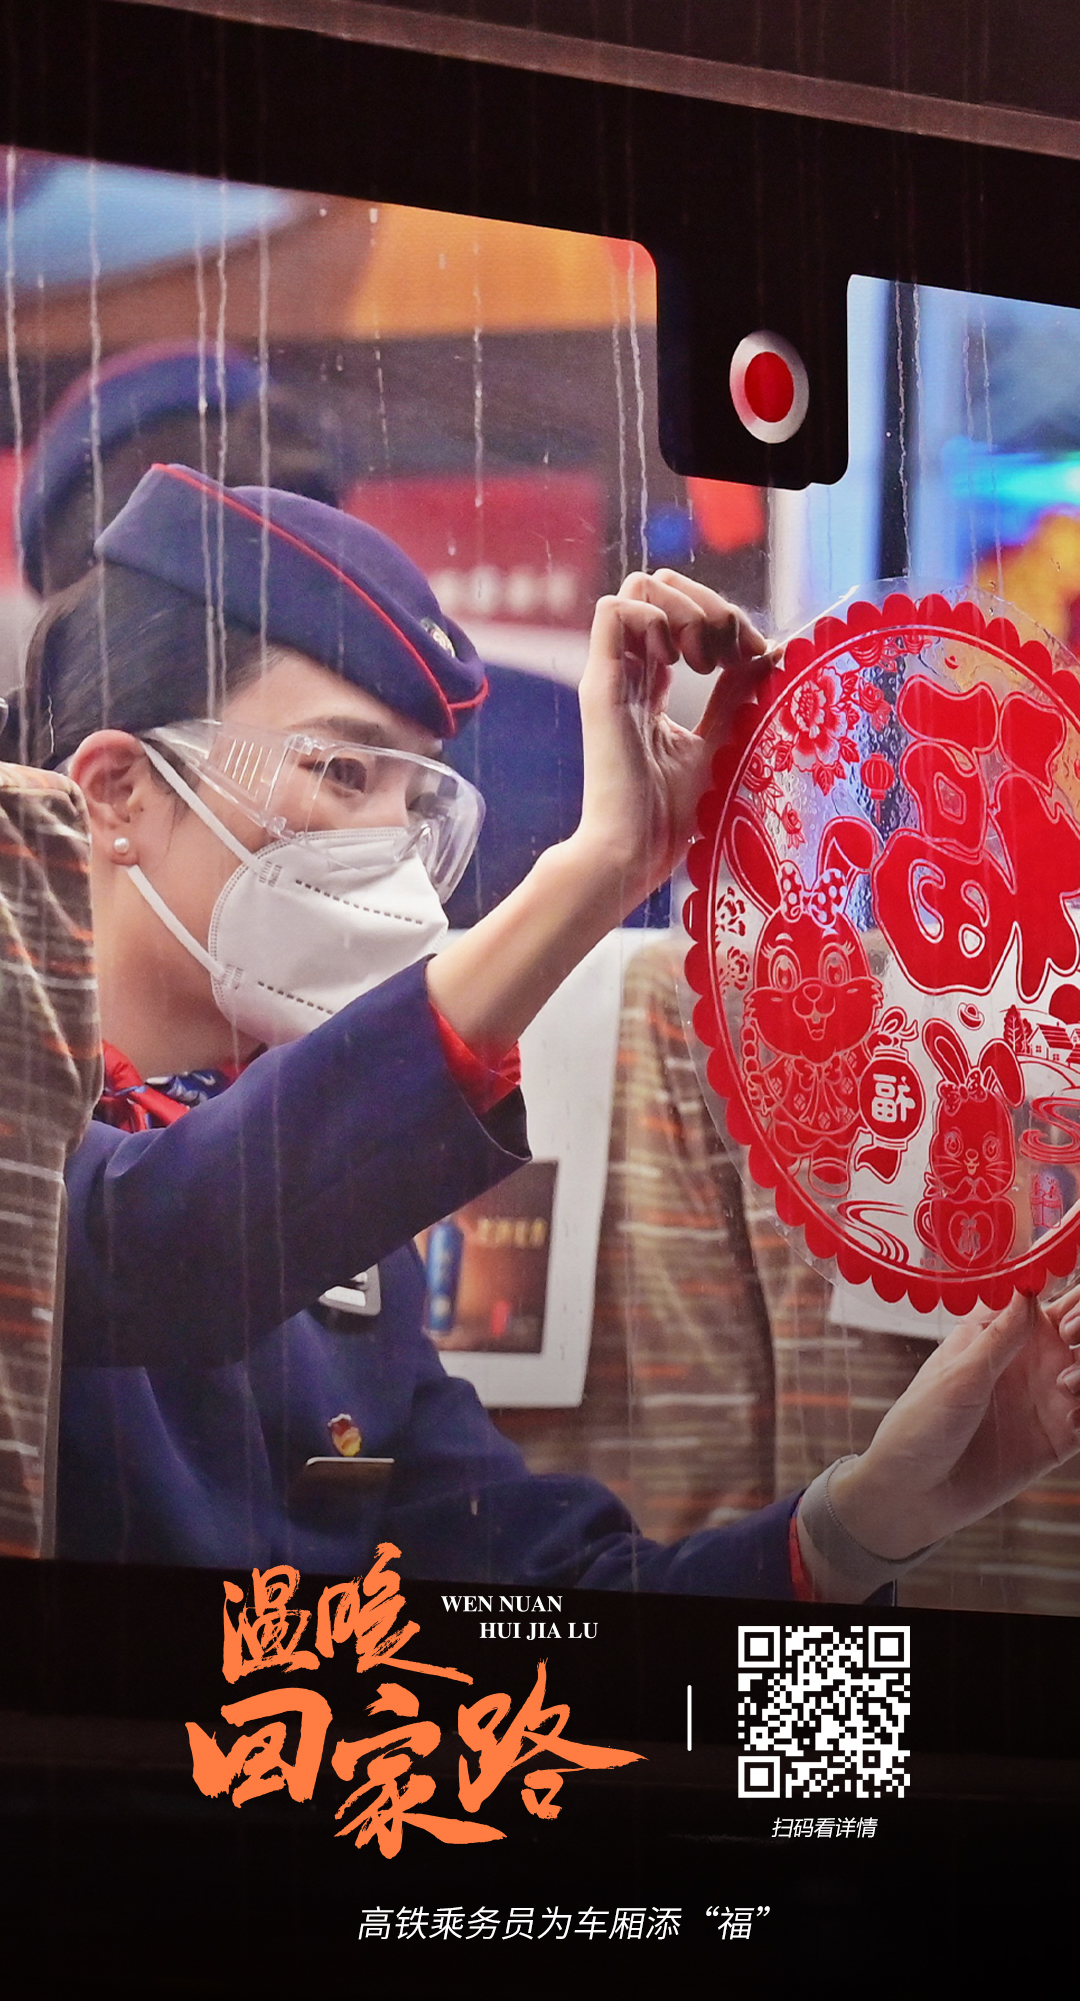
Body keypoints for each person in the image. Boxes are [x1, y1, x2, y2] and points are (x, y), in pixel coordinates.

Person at [8, 460, 1080, 1601]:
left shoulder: (340, 1234)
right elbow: (142, 1244)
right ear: (117, 792)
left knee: (831, 1732)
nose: (393, 851)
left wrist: (864, 1522)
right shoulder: (109, 1177)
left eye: (417, 805)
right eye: (342, 771)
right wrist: (599, 869)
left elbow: (536, 1609)